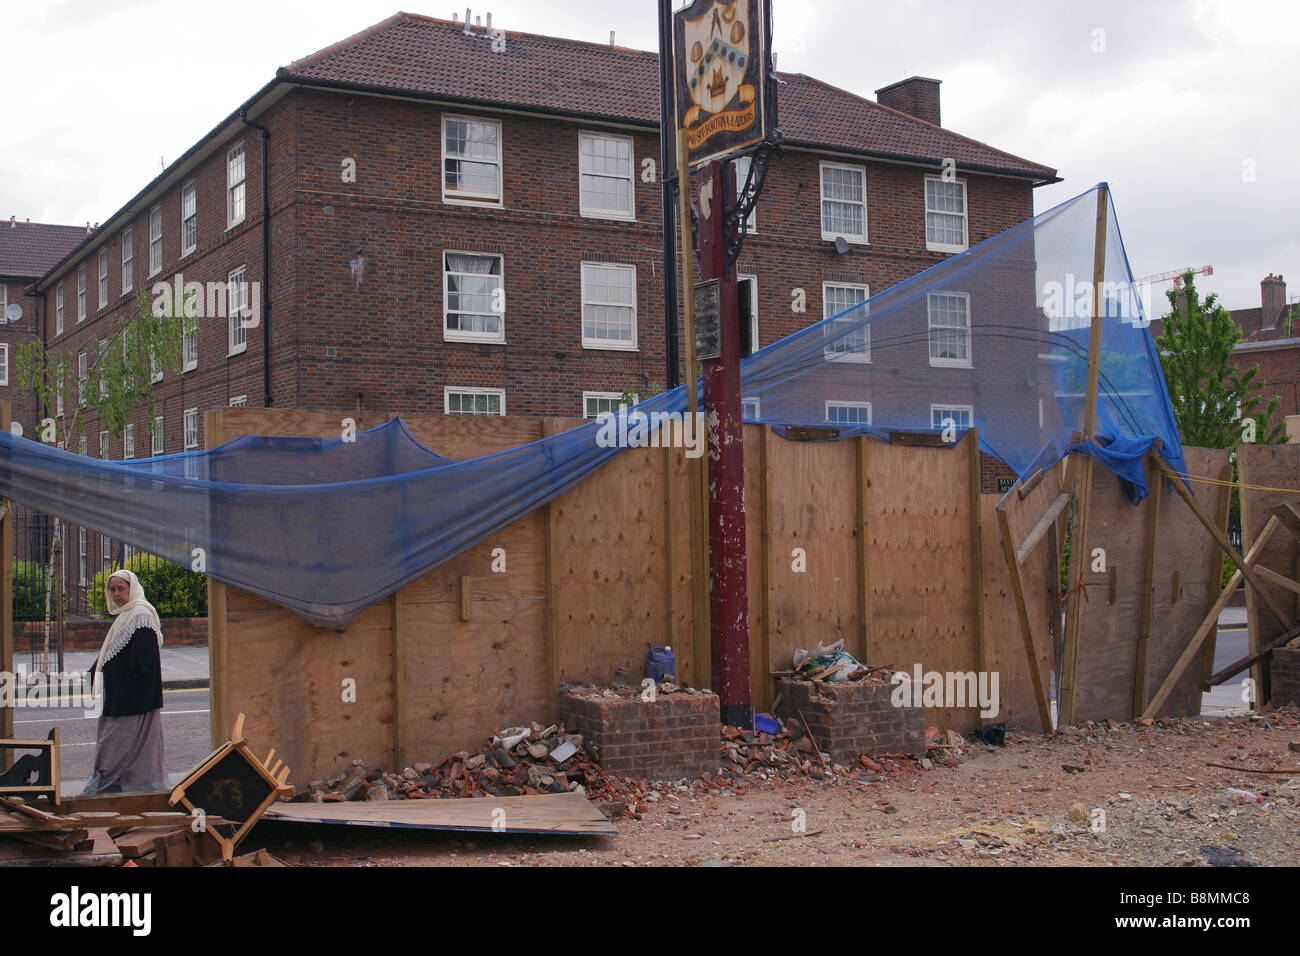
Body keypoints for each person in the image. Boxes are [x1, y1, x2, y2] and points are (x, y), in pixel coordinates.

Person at [82, 569, 166, 794]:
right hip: (119, 697)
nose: (117, 594)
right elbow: (111, 651)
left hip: (134, 700)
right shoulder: (126, 616)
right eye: (113, 589)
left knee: (115, 746)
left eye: (121, 589)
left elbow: (143, 662)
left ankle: (123, 788)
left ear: (132, 589)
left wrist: (125, 689)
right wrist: (94, 674)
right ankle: (119, 789)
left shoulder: (141, 615)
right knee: (114, 745)